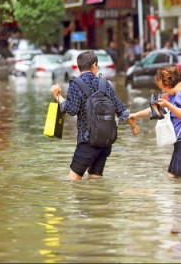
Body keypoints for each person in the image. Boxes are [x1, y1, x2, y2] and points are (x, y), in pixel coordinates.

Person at [49, 51, 140, 181]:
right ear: (94, 65)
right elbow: (121, 109)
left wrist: (57, 95)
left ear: (78, 66)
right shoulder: (104, 84)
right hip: (106, 142)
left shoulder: (75, 84)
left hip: (87, 142)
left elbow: (71, 110)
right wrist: (134, 126)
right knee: (95, 181)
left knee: (72, 181)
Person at [129, 66, 181, 178]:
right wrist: (136, 115)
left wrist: (168, 105)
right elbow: (158, 109)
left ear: (169, 83)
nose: (163, 91)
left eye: (163, 87)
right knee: (178, 182)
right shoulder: (175, 94)